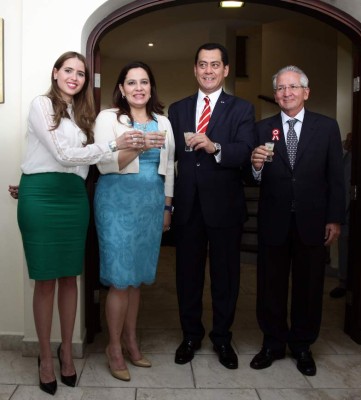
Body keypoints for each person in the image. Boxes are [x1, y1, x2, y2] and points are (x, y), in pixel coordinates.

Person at [14, 51, 142, 396]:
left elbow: (84, 164)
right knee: (44, 281)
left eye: (81, 73)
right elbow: (61, 155)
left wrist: (113, 149)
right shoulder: (41, 104)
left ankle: (66, 352)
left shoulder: (84, 114)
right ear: (55, 73)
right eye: (68, 70)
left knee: (70, 278)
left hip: (73, 197)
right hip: (41, 197)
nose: (74, 77)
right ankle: (44, 357)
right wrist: (113, 144)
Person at [250, 65, 345, 376]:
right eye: (280, 88)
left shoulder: (327, 127)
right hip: (273, 219)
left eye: (292, 87)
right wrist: (256, 166)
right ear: (275, 95)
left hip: (313, 220)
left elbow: (335, 177)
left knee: (309, 286)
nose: (286, 93)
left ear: (306, 92)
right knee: (270, 285)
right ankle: (273, 343)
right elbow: (251, 176)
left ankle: (303, 345)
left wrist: (334, 217)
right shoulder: (263, 128)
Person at [168, 43, 255, 370]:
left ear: (225, 70)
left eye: (215, 65)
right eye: (202, 64)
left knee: (226, 278)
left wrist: (215, 145)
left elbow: (245, 151)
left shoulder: (242, 109)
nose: (208, 70)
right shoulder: (177, 109)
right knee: (187, 278)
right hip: (188, 207)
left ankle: (222, 337)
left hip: (226, 208)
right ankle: (190, 336)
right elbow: (168, 158)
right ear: (195, 69)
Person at [93, 61, 175, 381]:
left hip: (150, 204)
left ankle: (131, 340)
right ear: (122, 89)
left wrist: (168, 207)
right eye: (131, 83)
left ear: (151, 87)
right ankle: (113, 347)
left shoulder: (163, 123)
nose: (138, 88)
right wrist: (137, 146)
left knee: (137, 277)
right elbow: (103, 164)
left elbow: (169, 170)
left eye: (144, 82)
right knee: (119, 277)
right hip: (116, 203)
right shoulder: (109, 118)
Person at [330, 132, 352, 298]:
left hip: (354, 210)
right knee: (344, 248)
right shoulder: (345, 152)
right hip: (344, 212)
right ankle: (343, 282)